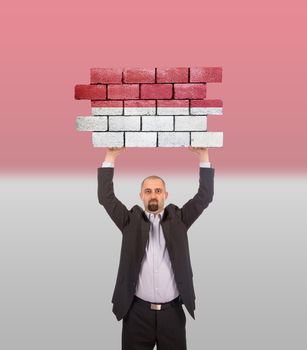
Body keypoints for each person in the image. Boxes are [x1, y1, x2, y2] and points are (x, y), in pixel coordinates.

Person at [97, 146, 215, 350]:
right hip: (136, 314)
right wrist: (111, 156)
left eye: (158, 191)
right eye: (148, 191)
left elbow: (204, 197)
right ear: (141, 195)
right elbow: (106, 198)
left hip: (173, 314)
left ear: (165, 195)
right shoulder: (129, 221)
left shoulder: (179, 219)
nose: (153, 195)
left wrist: (203, 156)